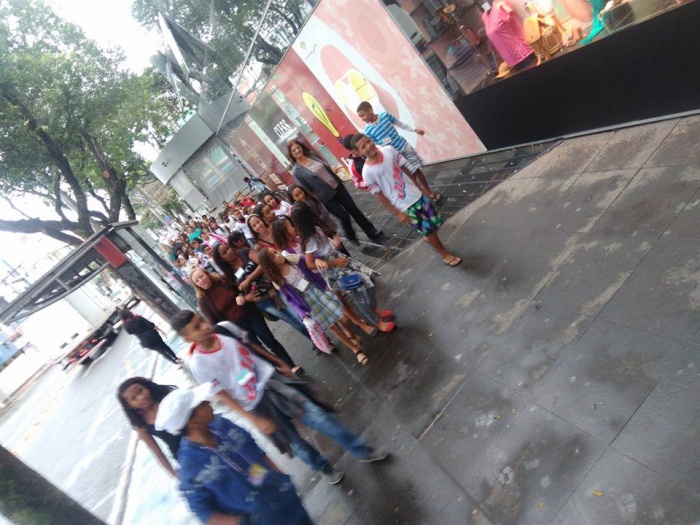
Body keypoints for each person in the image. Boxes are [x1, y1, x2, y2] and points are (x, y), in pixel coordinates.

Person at [169, 310, 388, 484]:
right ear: (188, 338)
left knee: (319, 418)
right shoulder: (198, 364)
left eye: (201, 320)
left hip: (273, 383)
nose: (204, 326)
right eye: (196, 328)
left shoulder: (224, 328)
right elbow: (222, 395)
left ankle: (361, 449)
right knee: (295, 443)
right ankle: (322, 467)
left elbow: (251, 345)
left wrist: (279, 362)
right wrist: (254, 419)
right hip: (256, 405)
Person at [155, 383, 313, 525]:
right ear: (193, 422)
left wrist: (279, 475)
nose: (208, 402)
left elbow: (254, 448)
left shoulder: (222, 425)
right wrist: (241, 522)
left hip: (286, 499)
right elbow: (203, 512)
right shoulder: (191, 468)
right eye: (202, 403)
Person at [352, 134, 462, 267]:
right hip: (404, 205)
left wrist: (419, 188)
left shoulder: (388, 150)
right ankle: (444, 254)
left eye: (368, 141)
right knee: (429, 230)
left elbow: (405, 169)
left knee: (434, 223)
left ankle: (428, 236)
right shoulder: (367, 172)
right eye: (363, 146)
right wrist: (398, 213)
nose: (368, 146)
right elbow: (379, 195)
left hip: (417, 195)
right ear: (358, 152)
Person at [290, 202, 395, 333]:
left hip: (338, 258)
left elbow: (324, 247)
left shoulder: (315, 228)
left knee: (370, 277)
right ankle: (376, 321)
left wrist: (334, 243)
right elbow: (309, 263)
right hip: (334, 269)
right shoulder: (309, 239)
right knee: (357, 292)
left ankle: (373, 309)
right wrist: (333, 263)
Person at [257, 248, 370, 364]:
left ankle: (350, 333)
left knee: (344, 318)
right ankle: (355, 350)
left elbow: (310, 262)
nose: (278, 255)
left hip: (318, 291)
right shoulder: (278, 281)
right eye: (273, 257)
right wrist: (302, 314)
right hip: (308, 303)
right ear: (269, 264)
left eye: (276, 252)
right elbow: (290, 300)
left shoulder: (294, 260)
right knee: (333, 326)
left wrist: (317, 262)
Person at [212, 241, 323, 354]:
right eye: (224, 252)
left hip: (275, 289)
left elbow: (263, 263)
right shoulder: (229, 274)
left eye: (228, 248)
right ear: (221, 259)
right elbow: (238, 292)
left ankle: (321, 338)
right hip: (263, 300)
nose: (229, 251)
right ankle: (315, 341)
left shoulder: (244, 253)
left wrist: (248, 279)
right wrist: (246, 298)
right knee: (292, 321)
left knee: (298, 315)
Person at [190, 268, 300, 373]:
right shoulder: (203, 301)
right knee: (258, 350)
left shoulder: (222, 280)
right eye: (197, 281)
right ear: (196, 285)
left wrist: (242, 297)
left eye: (201, 276)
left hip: (250, 314)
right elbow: (214, 323)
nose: (201, 280)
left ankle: (290, 365)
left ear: (207, 274)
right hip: (237, 327)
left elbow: (240, 288)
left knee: (270, 340)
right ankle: (277, 372)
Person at [287, 139, 382, 244]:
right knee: (344, 216)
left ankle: (371, 231)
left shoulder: (312, 155)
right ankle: (350, 235)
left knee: (354, 209)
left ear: (301, 147)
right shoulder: (297, 171)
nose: (297, 151)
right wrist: (315, 200)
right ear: (291, 154)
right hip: (326, 198)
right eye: (294, 150)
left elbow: (324, 166)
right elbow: (305, 190)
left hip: (338, 186)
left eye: (298, 147)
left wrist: (331, 168)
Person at [356, 101, 441, 202]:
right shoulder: (368, 130)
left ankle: (429, 192)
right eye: (360, 117)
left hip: (404, 146)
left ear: (370, 110)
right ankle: (420, 196)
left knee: (417, 169)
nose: (362, 119)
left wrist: (414, 129)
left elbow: (400, 123)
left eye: (363, 115)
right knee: (410, 175)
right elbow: (376, 145)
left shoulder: (384, 115)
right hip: (394, 155)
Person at [117, 377, 181, 477]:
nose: (141, 397)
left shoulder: (168, 397)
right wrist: (174, 474)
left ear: (147, 387)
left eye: (141, 390)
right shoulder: (140, 424)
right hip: (182, 454)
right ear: (129, 405)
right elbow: (158, 452)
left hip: (200, 437)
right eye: (134, 398)